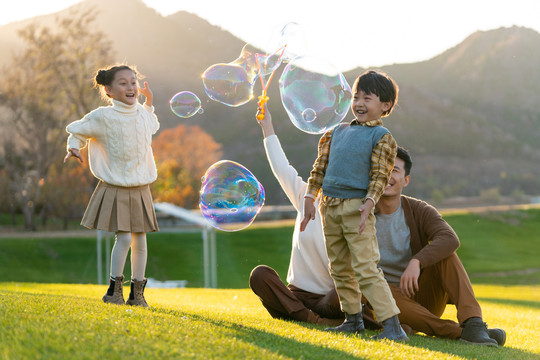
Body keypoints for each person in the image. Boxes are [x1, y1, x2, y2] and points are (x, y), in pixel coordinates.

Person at [301, 70, 408, 341]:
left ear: (385, 106)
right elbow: (319, 169)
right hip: (329, 208)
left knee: (365, 268)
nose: (359, 103)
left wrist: (370, 202)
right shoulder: (336, 133)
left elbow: (380, 175)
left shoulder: (381, 137)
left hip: (356, 209)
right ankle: (353, 319)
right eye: (355, 96)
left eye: (367, 98)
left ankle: (392, 326)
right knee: (338, 267)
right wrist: (309, 198)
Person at [371, 146, 507, 347]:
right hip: (384, 305)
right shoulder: (362, 215)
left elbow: (449, 238)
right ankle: (459, 332)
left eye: (395, 170)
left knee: (446, 253)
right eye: (382, 169)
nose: (387, 175)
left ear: (406, 180)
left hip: (422, 295)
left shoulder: (419, 209)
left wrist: (417, 261)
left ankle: (473, 322)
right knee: (377, 288)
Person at [64, 64, 160, 308]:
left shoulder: (141, 113)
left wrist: (149, 103)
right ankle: (114, 291)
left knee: (141, 240)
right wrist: (73, 146)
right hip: (116, 186)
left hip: (140, 187)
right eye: (123, 83)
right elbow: (78, 130)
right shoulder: (102, 117)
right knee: (125, 239)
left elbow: (153, 126)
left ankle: (137, 294)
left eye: (133, 82)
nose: (131, 87)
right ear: (109, 90)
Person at [249, 104, 345, 326]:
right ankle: (313, 320)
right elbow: (281, 168)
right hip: (297, 297)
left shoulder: (354, 209)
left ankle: (306, 318)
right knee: (260, 275)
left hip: (331, 300)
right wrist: (267, 125)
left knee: (354, 290)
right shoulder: (306, 197)